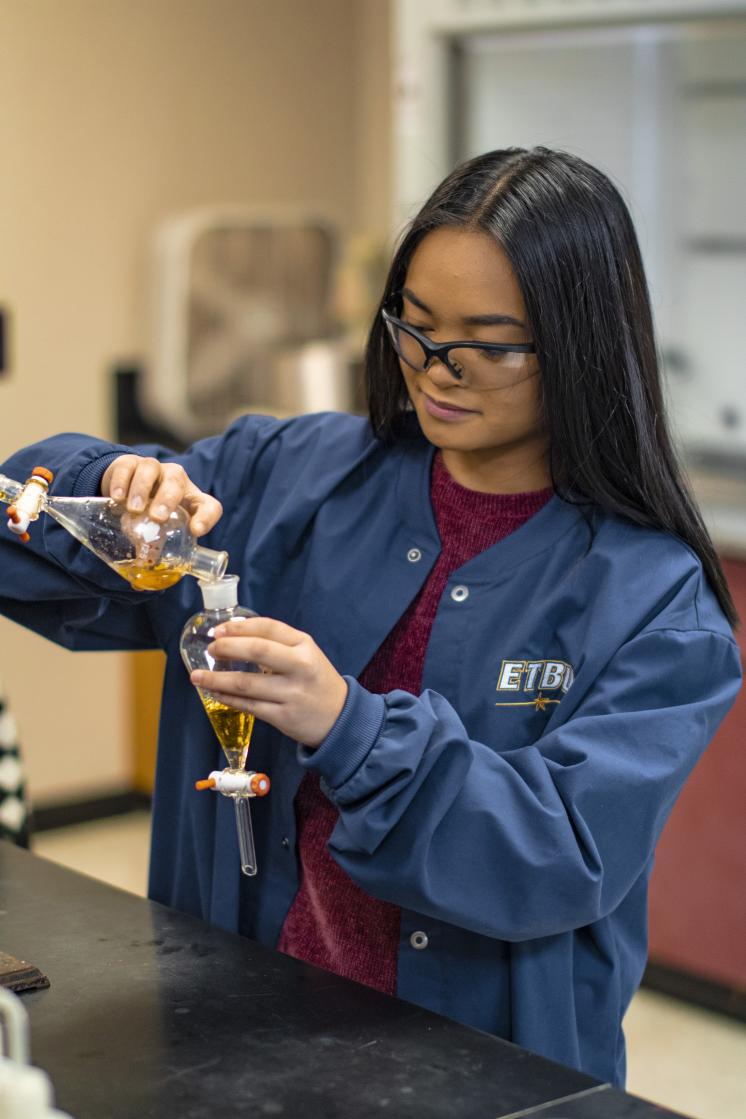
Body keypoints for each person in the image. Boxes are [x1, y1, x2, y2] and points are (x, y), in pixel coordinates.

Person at [0, 147, 740, 1087]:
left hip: (474, 1073)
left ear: (585, 347)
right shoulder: (287, 476)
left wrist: (349, 728)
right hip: (234, 1031)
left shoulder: (654, 602)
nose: (436, 368)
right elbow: (11, 527)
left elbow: (555, 856)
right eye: (415, 327)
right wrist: (100, 485)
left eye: (488, 342)